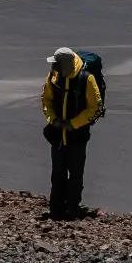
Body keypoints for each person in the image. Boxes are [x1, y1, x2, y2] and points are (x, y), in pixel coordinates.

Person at [42, 47, 102, 220]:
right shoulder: (54, 77)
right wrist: (53, 120)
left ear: (66, 64)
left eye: (57, 64)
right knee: (57, 173)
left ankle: (72, 210)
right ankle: (56, 210)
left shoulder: (86, 79)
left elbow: (95, 107)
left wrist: (73, 124)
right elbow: (46, 99)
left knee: (75, 174)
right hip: (58, 135)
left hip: (77, 136)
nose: (54, 67)